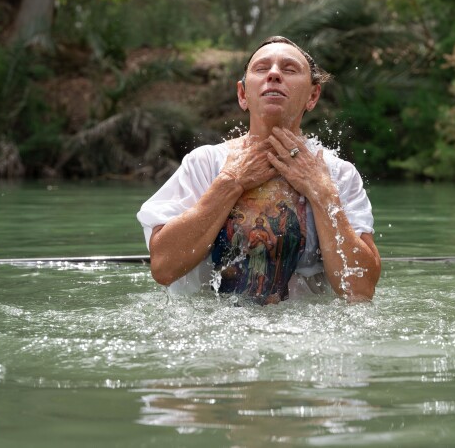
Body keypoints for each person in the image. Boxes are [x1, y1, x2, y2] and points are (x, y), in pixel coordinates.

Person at [137, 36, 381, 303]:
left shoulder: (338, 174)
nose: (274, 74)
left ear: (312, 96)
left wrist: (322, 193)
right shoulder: (205, 164)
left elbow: (360, 290)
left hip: (303, 337)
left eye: (289, 69)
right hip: (213, 334)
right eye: (262, 68)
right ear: (243, 94)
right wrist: (230, 182)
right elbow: (163, 267)